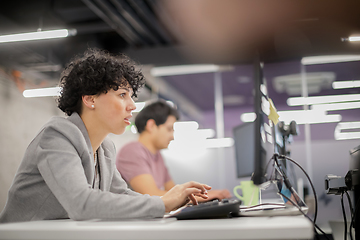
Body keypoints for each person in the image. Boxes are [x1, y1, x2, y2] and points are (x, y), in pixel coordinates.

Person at [0, 49, 211, 223]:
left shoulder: (105, 148)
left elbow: (121, 194)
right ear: (90, 100)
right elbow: (81, 204)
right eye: (122, 95)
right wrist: (162, 203)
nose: (131, 106)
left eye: (131, 96)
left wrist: (172, 200)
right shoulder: (56, 136)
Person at [116, 100, 231, 201]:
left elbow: (172, 191)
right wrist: (206, 196)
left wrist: (203, 195)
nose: (172, 136)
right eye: (169, 129)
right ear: (151, 125)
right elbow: (152, 196)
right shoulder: (132, 151)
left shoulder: (157, 156)